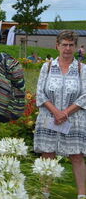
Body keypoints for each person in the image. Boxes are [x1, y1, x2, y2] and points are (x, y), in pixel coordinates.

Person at [34, 30, 86, 197]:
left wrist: (65, 113)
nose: (67, 48)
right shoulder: (47, 67)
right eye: (64, 44)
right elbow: (40, 94)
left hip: (74, 119)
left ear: (76, 47)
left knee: (77, 156)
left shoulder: (82, 69)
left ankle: (82, 194)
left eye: (71, 45)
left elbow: (85, 95)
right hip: (49, 117)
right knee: (47, 154)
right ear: (57, 46)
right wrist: (56, 112)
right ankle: (45, 192)